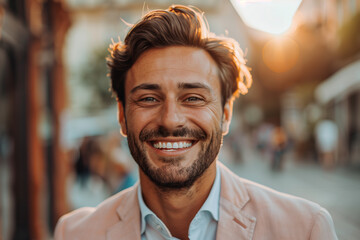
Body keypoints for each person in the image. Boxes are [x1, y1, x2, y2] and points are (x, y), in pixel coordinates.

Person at [54, 5, 338, 240]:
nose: (171, 120)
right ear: (122, 115)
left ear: (226, 114)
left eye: (193, 98)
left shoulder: (306, 229)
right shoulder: (75, 233)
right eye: (149, 99)